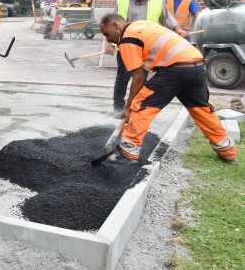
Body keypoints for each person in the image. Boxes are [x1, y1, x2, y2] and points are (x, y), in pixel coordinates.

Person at [99, 13, 238, 165]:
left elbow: (139, 77)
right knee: (203, 110)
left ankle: (127, 153)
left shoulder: (127, 37)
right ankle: (227, 152)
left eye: (107, 34)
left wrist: (128, 107)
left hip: (175, 69)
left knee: (140, 106)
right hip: (197, 66)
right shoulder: (142, 25)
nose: (108, 40)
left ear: (115, 26)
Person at [106, 0, 188, 113]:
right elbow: (113, 26)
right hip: (128, 47)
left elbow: (167, 18)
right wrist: (111, 44)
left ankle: (135, 107)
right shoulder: (123, 1)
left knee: (141, 78)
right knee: (123, 77)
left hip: (147, 48)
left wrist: (178, 29)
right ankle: (118, 107)